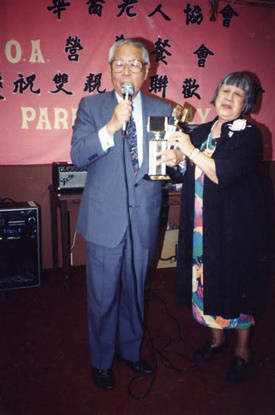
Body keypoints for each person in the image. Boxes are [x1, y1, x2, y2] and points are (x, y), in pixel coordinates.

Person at [70, 38, 172, 390]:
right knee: (103, 294)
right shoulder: (91, 106)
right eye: (119, 64)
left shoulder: (163, 110)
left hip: (144, 215)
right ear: (110, 69)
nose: (126, 70)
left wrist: (175, 163)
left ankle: (130, 351)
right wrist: (112, 126)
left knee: (135, 290)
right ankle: (101, 360)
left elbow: (163, 166)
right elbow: (78, 156)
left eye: (134, 64)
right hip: (104, 218)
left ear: (147, 71)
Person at [159, 72, 263, 382]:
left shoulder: (250, 134)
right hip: (201, 223)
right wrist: (173, 158)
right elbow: (184, 168)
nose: (229, 98)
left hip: (234, 226)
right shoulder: (202, 130)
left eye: (238, 95)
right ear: (215, 96)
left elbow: (224, 174)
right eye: (225, 91)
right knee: (203, 279)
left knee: (235, 284)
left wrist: (188, 151)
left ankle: (242, 350)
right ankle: (217, 340)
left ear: (247, 104)